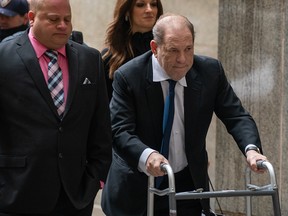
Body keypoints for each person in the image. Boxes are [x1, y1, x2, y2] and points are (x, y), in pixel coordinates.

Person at [101, 13, 268, 216]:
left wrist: (251, 149)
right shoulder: (128, 76)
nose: (182, 59)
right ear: (155, 48)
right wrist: (148, 155)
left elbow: (236, 115)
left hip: (187, 186)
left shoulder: (210, 72)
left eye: (188, 49)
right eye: (173, 50)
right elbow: (119, 130)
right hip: (136, 188)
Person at [0, 0, 112, 215]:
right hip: (16, 195)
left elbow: (101, 126)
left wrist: (96, 178)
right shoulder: (4, 57)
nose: (63, 25)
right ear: (31, 19)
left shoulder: (90, 59)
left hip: (75, 197)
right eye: (54, 19)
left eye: (67, 19)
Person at [102, 0, 163, 100]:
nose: (149, 10)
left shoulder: (166, 50)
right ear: (127, 11)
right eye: (140, 5)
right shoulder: (111, 56)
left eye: (153, 4)